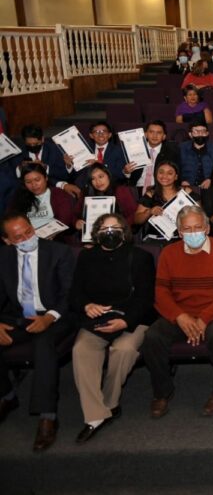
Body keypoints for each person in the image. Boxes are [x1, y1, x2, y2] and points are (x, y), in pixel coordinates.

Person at [141, 205, 213, 418]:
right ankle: (162, 392)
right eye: (187, 229)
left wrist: (204, 319)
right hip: (180, 312)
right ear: (179, 232)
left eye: (198, 227)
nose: (193, 233)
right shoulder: (168, 253)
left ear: (207, 228)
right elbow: (161, 291)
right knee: (152, 337)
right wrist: (180, 316)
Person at [69, 213, 155, 443]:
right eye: (104, 229)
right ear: (96, 234)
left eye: (115, 228)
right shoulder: (86, 258)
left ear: (124, 232)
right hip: (96, 318)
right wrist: (87, 305)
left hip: (131, 318)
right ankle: (95, 416)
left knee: (124, 350)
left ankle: (110, 402)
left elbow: (146, 299)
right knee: (81, 350)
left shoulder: (140, 257)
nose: (109, 233)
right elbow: (75, 292)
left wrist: (126, 321)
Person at [0, 212, 75, 451]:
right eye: (18, 237)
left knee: (44, 343)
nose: (26, 238)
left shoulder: (58, 253)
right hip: (19, 316)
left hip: (56, 316)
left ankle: (47, 417)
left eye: (28, 232)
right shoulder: (3, 257)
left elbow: (69, 294)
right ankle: (7, 395)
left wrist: (50, 317)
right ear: (7, 240)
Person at [134, 160, 198, 243]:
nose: (164, 176)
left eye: (170, 173)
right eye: (161, 172)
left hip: (182, 238)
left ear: (176, 177)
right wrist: (150, 211)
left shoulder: (186, 191)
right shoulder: (151, 194)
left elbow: (200, 215)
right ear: (156, 174)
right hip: (155, 239)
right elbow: (137, 220)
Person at [74, 163, 138, 236]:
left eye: (101, 177)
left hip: (119, 235)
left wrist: (120, 226)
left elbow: (134, 215)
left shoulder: (121, 191)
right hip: (93, 237)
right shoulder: (86, 193)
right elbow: (75, 214)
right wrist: (76, 222)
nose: (98, 182)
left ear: (108, 175)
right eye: (93, 179)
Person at [13, 124, 75, 198]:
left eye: (36, 144)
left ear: (42, 139)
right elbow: (14, 177)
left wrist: (45, 167)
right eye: (29, 144)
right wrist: (21, 168)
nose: (32, 146)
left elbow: (64, 175)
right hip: (27, 192)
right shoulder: (19, 152)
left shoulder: (54, 150)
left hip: (52, 189)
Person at [10, 163, 75, 233]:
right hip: (28, 236)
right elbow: (11, 219)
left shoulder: (58, 194)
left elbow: (65, 221)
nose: (34, 185)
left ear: (46, 178)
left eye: (37, 180)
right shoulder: (20, 196)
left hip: (54, 235)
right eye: (28, 182)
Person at [125, 121, 181, 193]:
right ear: (145, 134)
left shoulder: (172, 153)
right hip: (136, 188)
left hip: (159, 189)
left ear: (164, 136)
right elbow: (125, 176)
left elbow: (176, 176)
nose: (155, 136)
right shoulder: (135, 150)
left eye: (159, 133)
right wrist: (126, 172)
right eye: (151, 132)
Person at [179, 121, 213, 190]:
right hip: (185, 187)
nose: (200, 134)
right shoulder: (181, 148)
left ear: (207, 133)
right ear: (190, 134)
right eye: (196, 131)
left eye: (203, 131)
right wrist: (181, 181)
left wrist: (211, 179)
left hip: (209, 188)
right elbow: (174, 167)